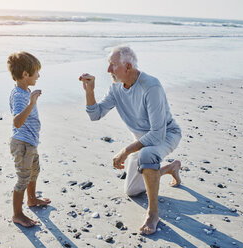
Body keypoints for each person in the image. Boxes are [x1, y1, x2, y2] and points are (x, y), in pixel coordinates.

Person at [78, 46, 182, 235]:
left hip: (166, 134)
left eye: (112, 65)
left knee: (147, 154)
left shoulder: (151, 86)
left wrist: (126, 151)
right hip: (141, 141)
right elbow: (95, 114)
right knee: (132, 191)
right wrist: (89, 91)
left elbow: (157, 134)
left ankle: (153, 214)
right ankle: (169, 168)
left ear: (127, 66)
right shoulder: (116, 87)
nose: (108, 70)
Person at [7, 51, 51, 227]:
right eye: (36, 73)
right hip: (22, 144)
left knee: (35, 171)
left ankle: (32, 200)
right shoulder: (19, 95)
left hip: (31, 143)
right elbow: (17, 121)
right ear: (25, 74)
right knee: (23, 178)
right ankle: (17, 214)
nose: (39, 76)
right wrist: (31, 103)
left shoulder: (26, 90)